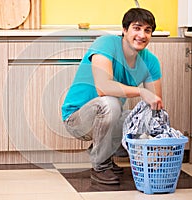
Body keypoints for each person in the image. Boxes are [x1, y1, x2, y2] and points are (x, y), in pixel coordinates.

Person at [61, 7, 163, 185]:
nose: (142, 35)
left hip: (108, 119)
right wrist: (141, 91)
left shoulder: (151, 62)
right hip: (77, 119)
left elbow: (155, 104)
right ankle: (100, 165)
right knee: (110, 103)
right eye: (137, 28)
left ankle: (104, 150)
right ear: (124, 30)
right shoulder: (106, 43)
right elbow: (103, 87)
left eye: (148, 30)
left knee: (148, 115)